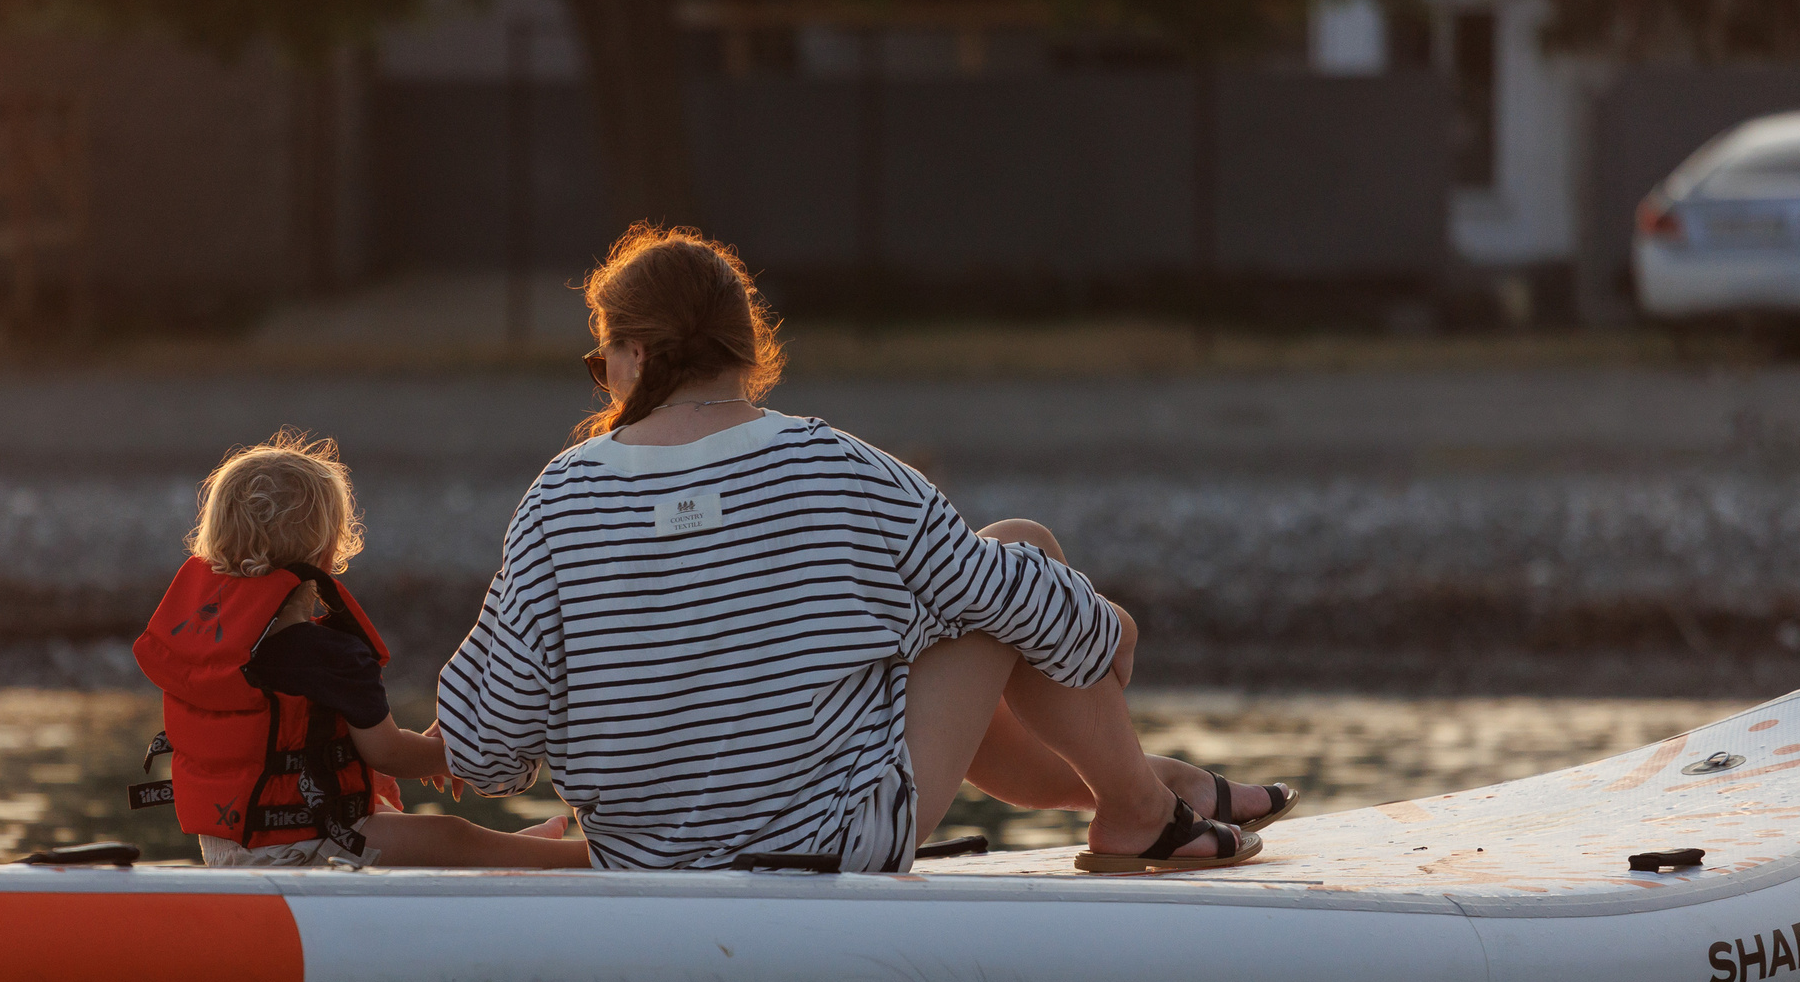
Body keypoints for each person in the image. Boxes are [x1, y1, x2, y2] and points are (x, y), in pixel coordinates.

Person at [433, 227, 1298, 876]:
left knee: (973, 597)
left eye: (601, 360)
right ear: (745, 345)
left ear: (632, 355)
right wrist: (1106, 627)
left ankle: (1139, 792)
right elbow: (997, 596)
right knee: (1017, 557)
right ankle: (1140, 806)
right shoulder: (828, 461)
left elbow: (484, 750)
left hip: (644, 865)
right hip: (830, 851)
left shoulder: (559, 498)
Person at [135, 432, 587, 870]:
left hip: (227, 843)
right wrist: (457, 752)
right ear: (327, 551)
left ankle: (511, 849)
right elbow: (388, 753)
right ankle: (578, 858)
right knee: (450, 833)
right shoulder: (331, 655)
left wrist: (427, 748)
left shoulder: (219, 649)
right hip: (299, 847)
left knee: (383, 812)